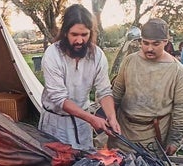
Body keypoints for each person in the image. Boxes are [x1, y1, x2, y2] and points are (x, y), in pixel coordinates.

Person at [38, 4, 121, 151]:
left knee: (84, 165)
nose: (79, 41)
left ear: (91, 33)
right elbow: (59, 99)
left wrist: (111, 117)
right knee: (56, 164)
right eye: (74, 34)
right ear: (65, 33)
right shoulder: (52, 55)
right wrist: (92, 119)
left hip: (82, 121)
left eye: (84, 35)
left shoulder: (97, 55)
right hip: (55, 122)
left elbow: (104, 91)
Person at [108, 18, 183, 156]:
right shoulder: (130, 61)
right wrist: (110, 118)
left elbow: (182, 110)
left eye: (155, 44)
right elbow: (116, 94)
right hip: (122, 133)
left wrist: (174, 141)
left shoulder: (178, 71)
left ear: (166, 42)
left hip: (153, 137)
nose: (149, 48)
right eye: (145, 43)